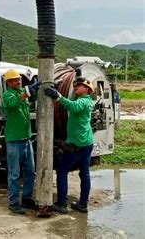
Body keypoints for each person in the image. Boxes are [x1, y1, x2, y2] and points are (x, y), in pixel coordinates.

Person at [45, 76, 95, 214]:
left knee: (62, 171)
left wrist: (58, 96)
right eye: (75, 85)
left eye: (79, 86)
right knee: (84, 173)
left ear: (87, 89)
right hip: (87, 143)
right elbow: (72, 102)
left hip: (76, 144)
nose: (76, 87)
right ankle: (83, 204)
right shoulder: (88, 100)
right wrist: (60, 87)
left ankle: (61, 204)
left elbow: (73, 106)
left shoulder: (83, 101)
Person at [2, 69, 40, 214]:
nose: (19, 81)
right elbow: (12, 104)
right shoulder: (8, 95)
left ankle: (26, 198)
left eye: (19, 79)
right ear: (8, 83)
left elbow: (30, 98)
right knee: (14, 173)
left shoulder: (20, 93)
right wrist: (27, 92)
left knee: (30, 171)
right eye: (15, 80)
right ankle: (13, 202)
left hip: (26, 138)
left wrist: (36, 90)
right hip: (14, 140)